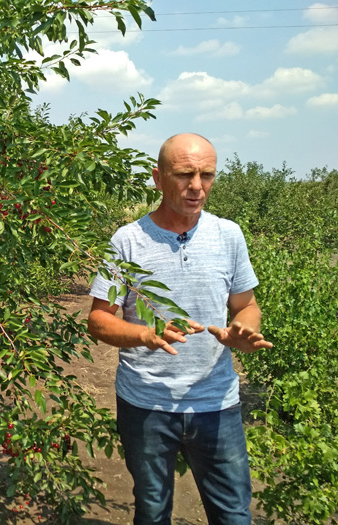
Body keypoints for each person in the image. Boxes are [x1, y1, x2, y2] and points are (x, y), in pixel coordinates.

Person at [87, 133, 273, 525]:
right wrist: (144, 335)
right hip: (147, 403)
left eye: (207, 175)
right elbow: (98, 318)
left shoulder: (228, 235)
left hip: (217, 402)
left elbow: (246, 305)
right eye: (185, 174)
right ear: (157, 178)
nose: (197, 187)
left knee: (234, 514)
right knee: (153, 511)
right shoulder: (128, 241)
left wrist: (242, 330)